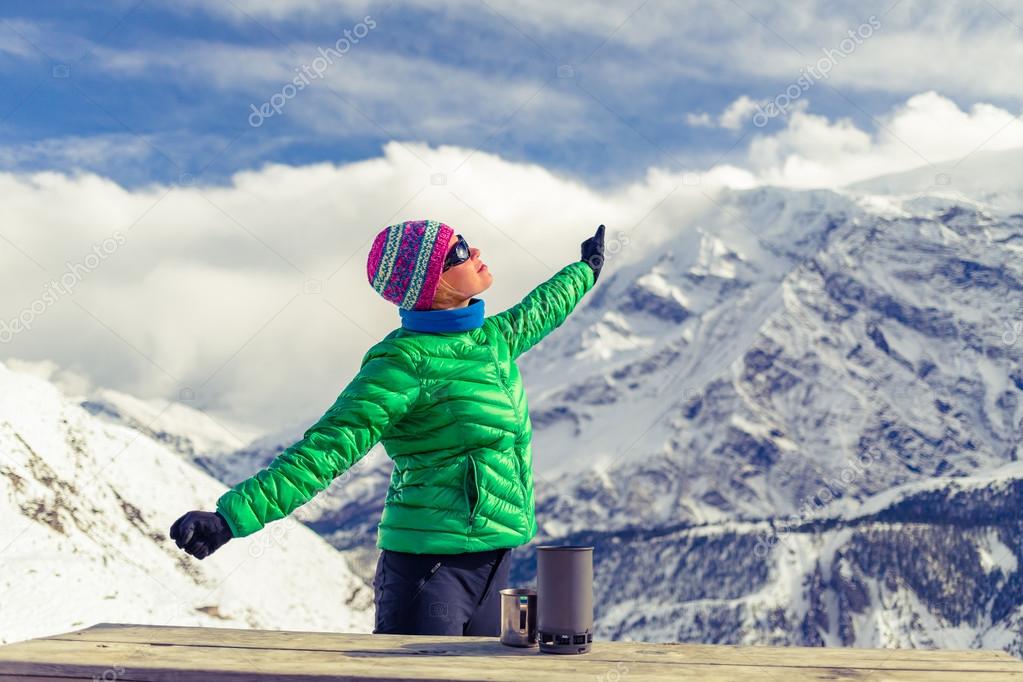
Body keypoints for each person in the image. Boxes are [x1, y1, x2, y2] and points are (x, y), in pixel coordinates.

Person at [170, 219, 605, 636]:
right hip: (430, 570)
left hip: (494, 559)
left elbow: (541, 310)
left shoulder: (491, 341)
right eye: (458, 251)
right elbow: (327, 449)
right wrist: (229, 518)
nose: (475, 252)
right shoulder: (401, 364)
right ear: (433, 283)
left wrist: (584, 270)